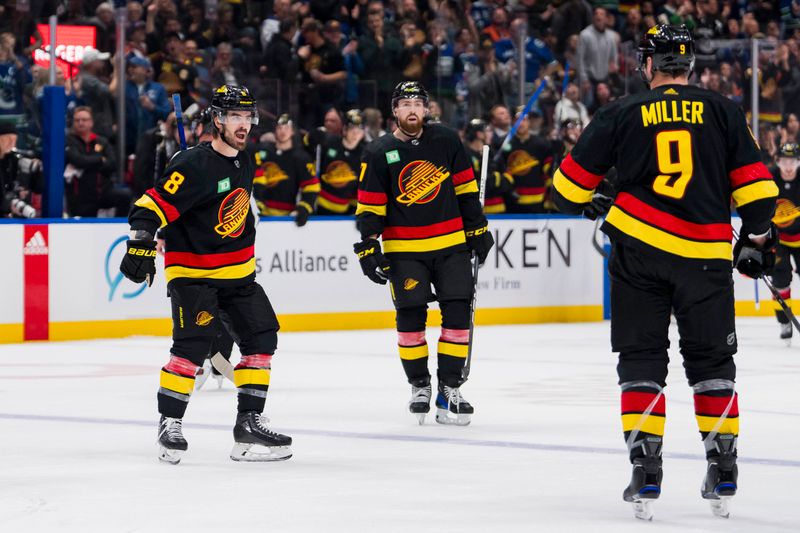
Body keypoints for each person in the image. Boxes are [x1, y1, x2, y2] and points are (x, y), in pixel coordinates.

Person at [552, 25, 778, 520]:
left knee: (642, 360)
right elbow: (761, 196)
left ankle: (646, 470)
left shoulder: (620, 112)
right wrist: (753, 241)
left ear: (649, 65)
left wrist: (602, 199)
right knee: (712, 365)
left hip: (639, 257)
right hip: (706, 259)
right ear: (690, 66)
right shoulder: (722, 110)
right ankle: (723, 466)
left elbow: (565, 190)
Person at [119, 84, 292, 464]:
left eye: (247, 116)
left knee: (261, 337)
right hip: (195, 274)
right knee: (191, 348)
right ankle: (170, 423)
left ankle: (248, 424)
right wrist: (141, 244)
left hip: (239, 276)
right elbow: (150, 206)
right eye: (235, 116)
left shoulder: (245, 159)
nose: (243, 124)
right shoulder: (192, 164)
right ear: (217, 120)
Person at [354, 81, 494, 426]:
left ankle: (450, 389)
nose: (412, 108)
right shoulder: (378, 152)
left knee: (459, 315)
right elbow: (371, 206)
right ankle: (420, 386)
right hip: (405, 250)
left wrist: (477, 229)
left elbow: (465, 189)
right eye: (405, 103)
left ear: (427, 108)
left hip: (451, 245)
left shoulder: (446, 140)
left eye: (418, 102)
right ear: (395, 111)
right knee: (411, 318)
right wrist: (368, 245)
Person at [251, 114, 319, 226]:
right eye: (279, 127)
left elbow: (311, 186)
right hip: (260, 214)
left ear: (292, 131)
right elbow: (255, 180)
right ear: (274, 130)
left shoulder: (301, 158)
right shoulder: (263, 151)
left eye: (286, 128)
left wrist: (304, 207)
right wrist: (256, 202)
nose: (283, 131)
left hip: (289, 218)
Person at [64, 106, 129, 217]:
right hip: (81, 195)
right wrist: (100, 159)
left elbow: (112, 163)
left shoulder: (101, 141)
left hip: (103, 190)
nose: (80, 123)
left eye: (84, 120)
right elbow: (78, 160)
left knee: (125, 195)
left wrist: (89, 164)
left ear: (91, 122)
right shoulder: (69, 140)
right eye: (77, 120)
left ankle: (120, 226)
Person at [769, 142, 800, 343]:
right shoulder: (769, 179)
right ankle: (784, 320)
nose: (788, 166)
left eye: (793, 161)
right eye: (784, 161)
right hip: (778, 239)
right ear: (778, 161)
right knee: (780, 281)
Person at [498, 106, 553, 213]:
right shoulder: (503, 145)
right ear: (513, 122)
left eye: (524, 119)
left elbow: (548, 172)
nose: (521, 123)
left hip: (538, 200)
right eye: (518, 120)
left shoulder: (542, 144)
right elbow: (501, 170)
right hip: (512, 201)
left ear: (529, 122)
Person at [316, 109, 368, 215]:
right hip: (319, 208)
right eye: (352, 128)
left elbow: (362, 186)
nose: (355, 133)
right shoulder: (329, 144)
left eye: (359, 129)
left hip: (345, 211)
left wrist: (359, 211)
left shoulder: (365, 154)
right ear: (344, 130)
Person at [462, 118, 514, 214]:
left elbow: (508, 178)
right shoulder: (464, 155)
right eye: (488, 131)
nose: (491, 134)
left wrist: (496, 179)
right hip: (474, 209)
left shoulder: (493, 153)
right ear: (479, 134)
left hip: (498, 208)